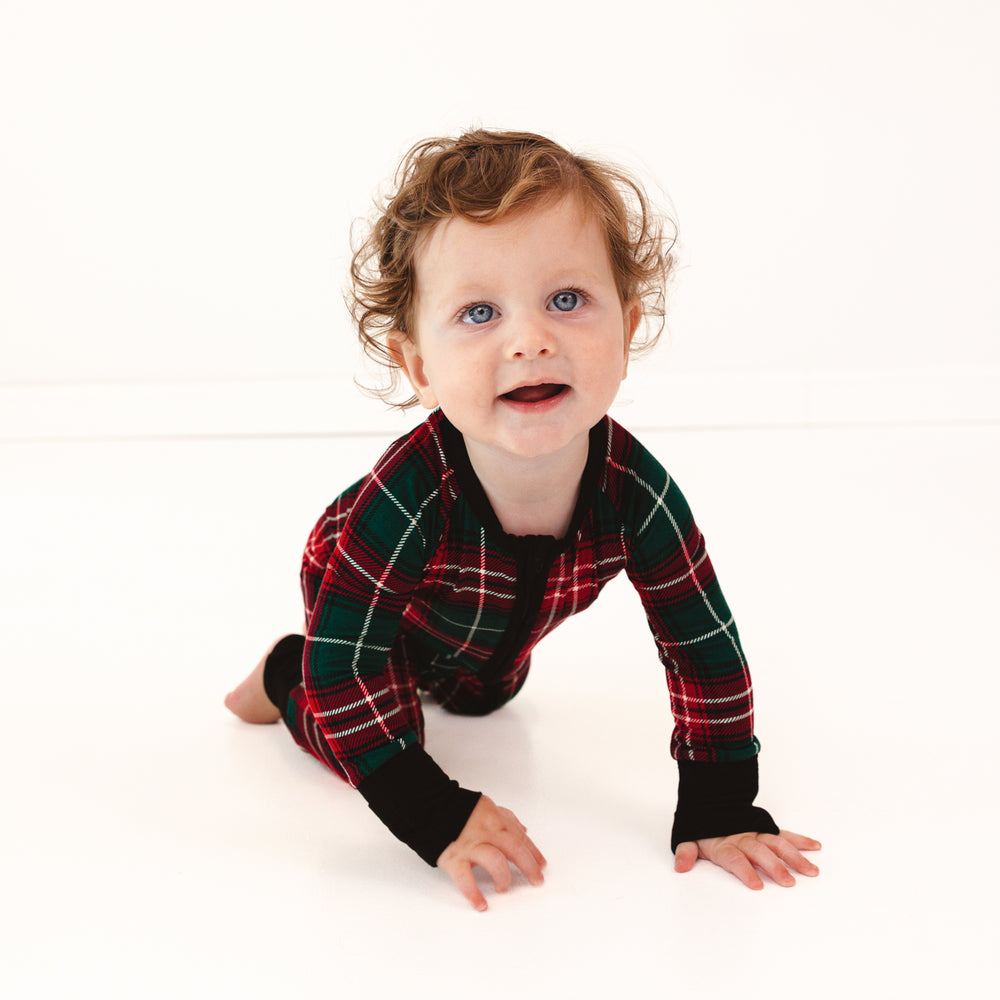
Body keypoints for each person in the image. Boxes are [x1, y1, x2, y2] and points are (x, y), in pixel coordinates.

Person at [225, 129, 820, 911]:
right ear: (419, 367)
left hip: (501, 621)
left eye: (567, 300)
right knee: (371, 723)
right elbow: (349, 665)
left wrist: (718, 801)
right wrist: (436, 815)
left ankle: (455, 678)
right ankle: (279, 672)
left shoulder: (636, 491)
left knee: (485, 700)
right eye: (479, 312)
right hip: (368, 603)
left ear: (628, 325)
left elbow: (701, 644)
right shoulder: (409, 496)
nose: (531, 340)